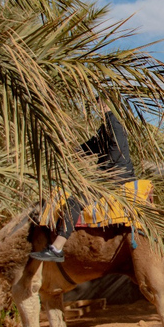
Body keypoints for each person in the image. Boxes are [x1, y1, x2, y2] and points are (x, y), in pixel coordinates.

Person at [30, 97, 136, 263]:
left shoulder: (115, 123)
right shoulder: (106, 125)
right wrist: (66, 153)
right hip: (112, 174)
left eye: (98, 103)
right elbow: (90, 146)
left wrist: (98, 176)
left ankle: (56, 248)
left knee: (75, 201)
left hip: (116, 177)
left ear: (106, 103)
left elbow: (116, 154)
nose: (96, 107)